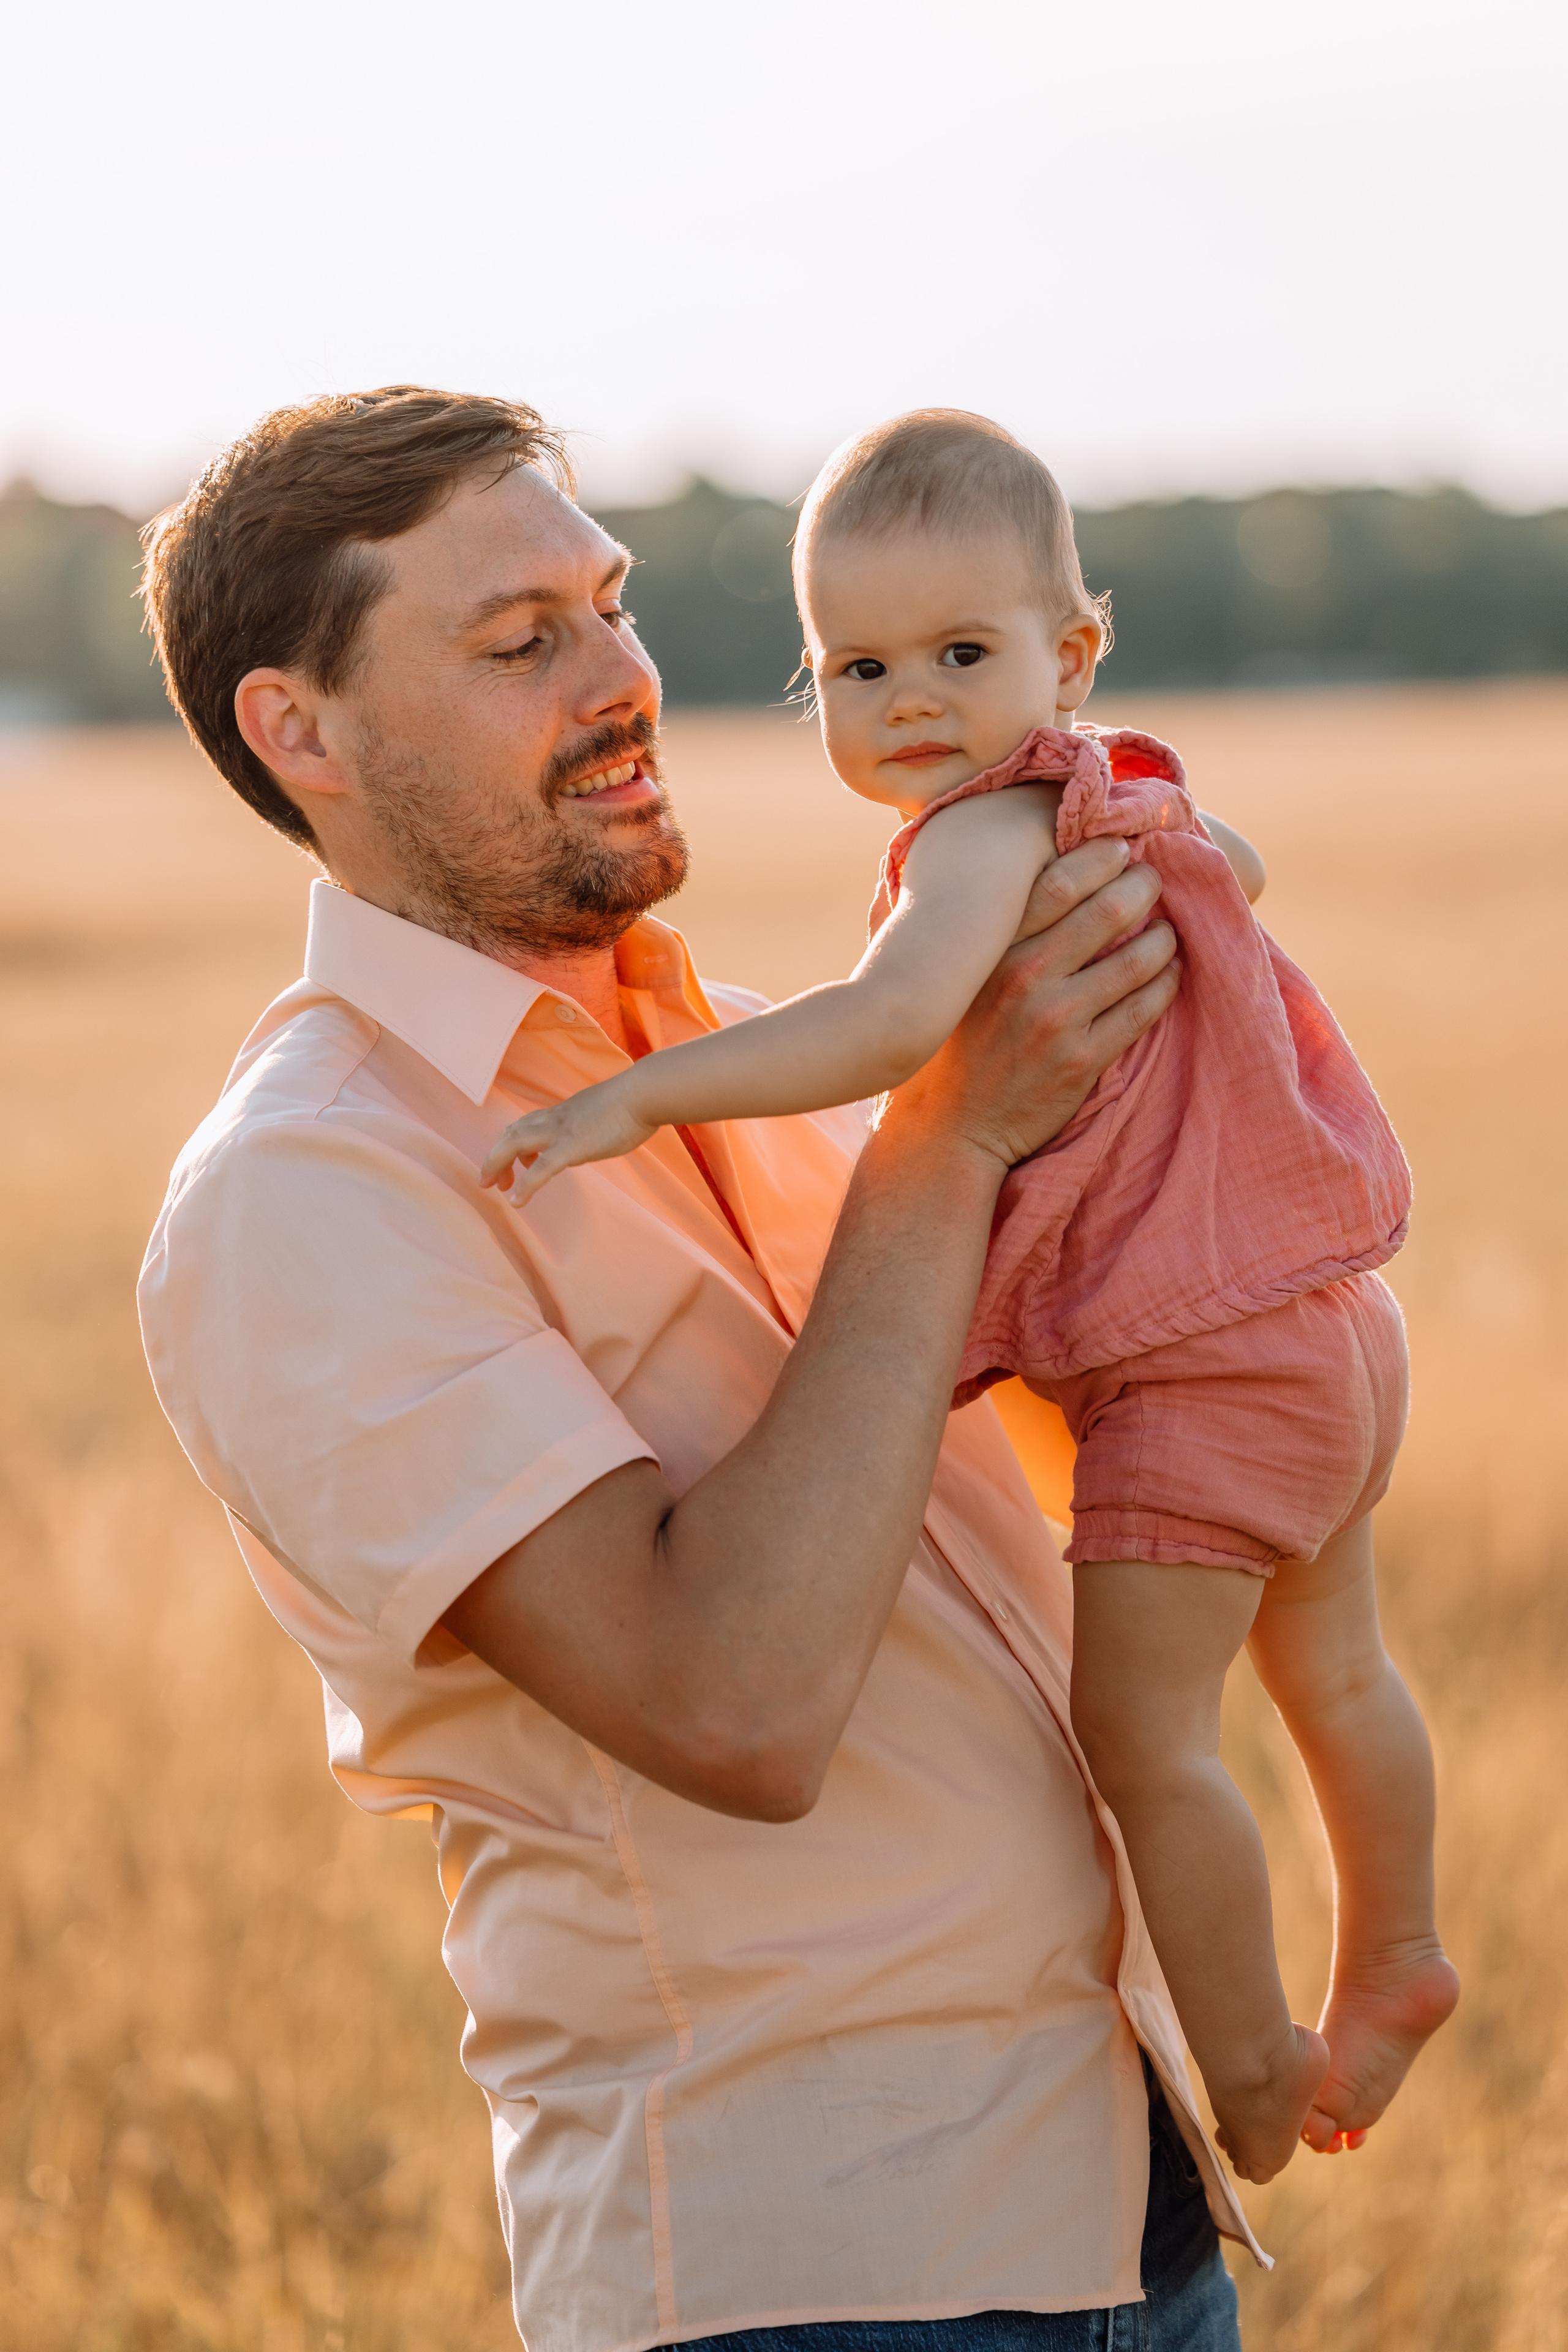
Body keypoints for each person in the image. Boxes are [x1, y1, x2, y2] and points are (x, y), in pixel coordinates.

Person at [137, 385, 1259, 2352]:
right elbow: (732, 1704)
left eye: (615, 603)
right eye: (522, 642)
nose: (623, 677)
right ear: (298, 731)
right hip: (809, 2285)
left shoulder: (765, 1048)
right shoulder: (308, 1192)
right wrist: (955, 1133)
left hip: (1128, 2218)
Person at [480, 412, 1460, 2185]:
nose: (909, 699)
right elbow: (1234, 868)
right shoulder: (1135, 782)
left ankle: (1250, 2066)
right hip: (1326, 1323)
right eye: (856, 665)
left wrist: (640, 1093)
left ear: (1069, 651)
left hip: (1194, 1369)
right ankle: (1397, 1948)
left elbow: (889, 1022)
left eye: (959, 653)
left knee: (1147, 1736)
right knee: (1339, 1666)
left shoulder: (981, 834)